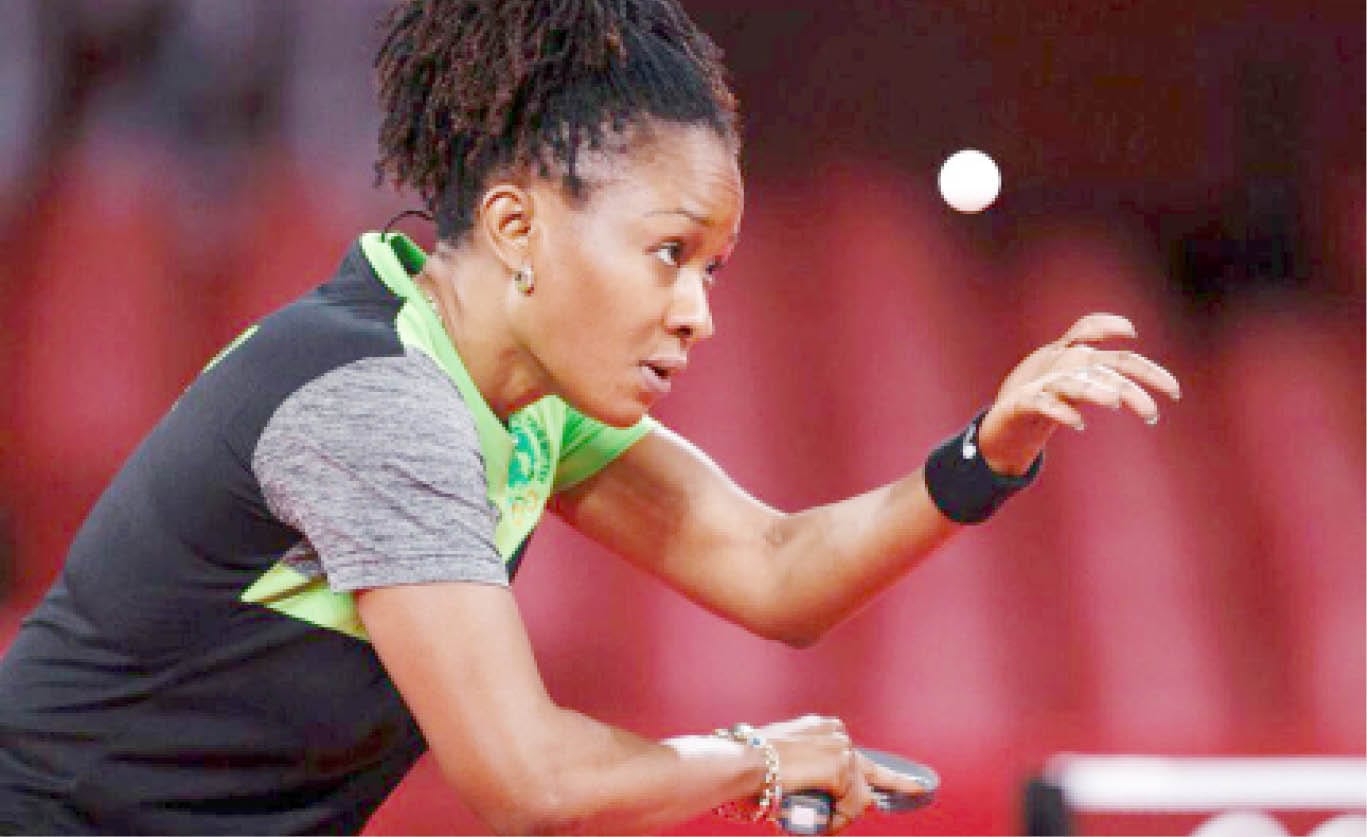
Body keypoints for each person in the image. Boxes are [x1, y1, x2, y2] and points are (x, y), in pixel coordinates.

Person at [0, 1, 1182, 834]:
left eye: (711, 269)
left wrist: (989, 452)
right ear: (516, 229)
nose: (695, 313)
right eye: (668, 254)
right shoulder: (373, 401)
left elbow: (775, 572)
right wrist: (759, 763)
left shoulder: (520, 408)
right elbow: (529, 782)